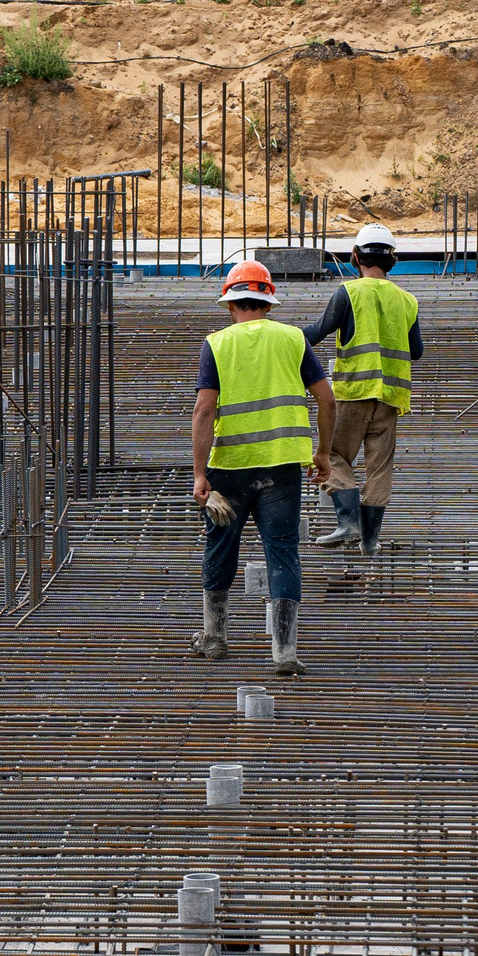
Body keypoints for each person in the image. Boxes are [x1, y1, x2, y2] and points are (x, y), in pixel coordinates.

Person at [192, 258, 335, 674]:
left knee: (221, 545)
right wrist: (323, 453)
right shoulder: (293, 339)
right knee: (283, 550)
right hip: (282, 467)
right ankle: (284, 652)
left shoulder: (217, 344)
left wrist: (199, 474)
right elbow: (327, 400)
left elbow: (204, 410)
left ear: (229, 304)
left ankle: (215, 638)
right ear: (269, 303)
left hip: (230, 467)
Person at [305, 220, 423, 554]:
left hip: (355, 393)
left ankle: (348, 523)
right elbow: (416, 351)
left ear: (356, 256)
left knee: (333, 455)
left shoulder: (350, 293)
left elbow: (317, 332)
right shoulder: (407, 301)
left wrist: (282, 340)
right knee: (379, 468)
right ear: (391, 260)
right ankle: (370, 540)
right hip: (391, 399)